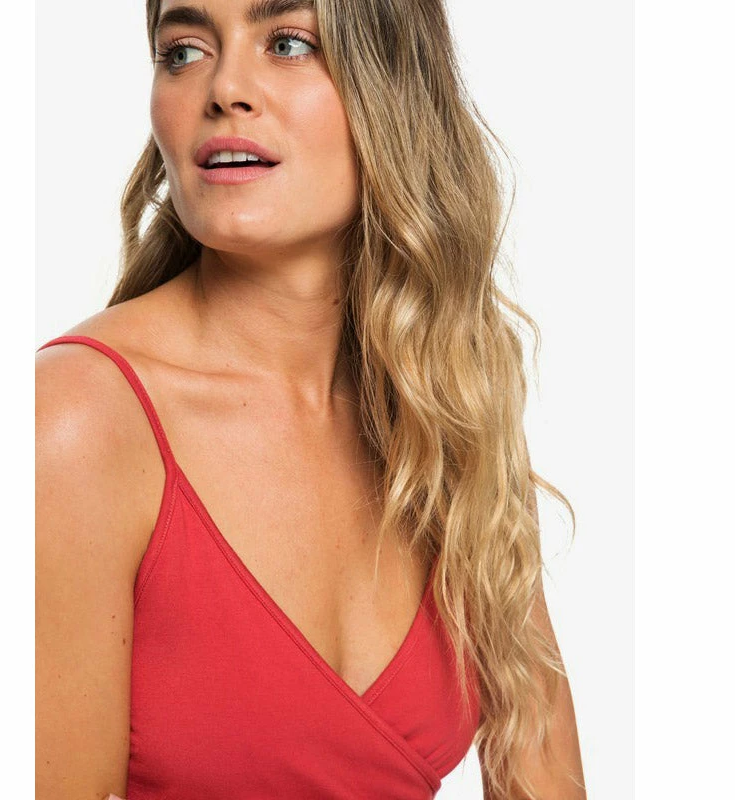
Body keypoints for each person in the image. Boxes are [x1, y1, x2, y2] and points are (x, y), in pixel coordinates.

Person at [35, 0, 585, 798]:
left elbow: (543, 771)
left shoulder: (445, 411)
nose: (224, 88)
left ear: (395, 90)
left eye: (289, 43)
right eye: (183, 51)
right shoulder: (75, 423)